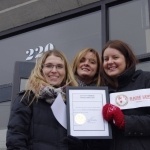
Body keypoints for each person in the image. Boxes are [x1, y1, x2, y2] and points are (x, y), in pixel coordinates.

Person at [6, 49, 81, 150]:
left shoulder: (73, 103)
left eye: (59, 66)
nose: (54, 70)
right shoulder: (27, 99)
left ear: (66, 72)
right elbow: (15, 142)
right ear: (41, 70)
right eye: (49, 66)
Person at [101, 40, 150, 150]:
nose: (110, 62)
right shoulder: (101, 92)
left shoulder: (146, 80)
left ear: (127, 60)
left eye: (115, 57)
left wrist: (125, 121)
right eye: (106, 59)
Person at [72, 48, 110, 150]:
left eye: (92, 62)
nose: (86, 64)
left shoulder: (106, 94)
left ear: (98, 68)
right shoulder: (62, 90)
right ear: (76, 64)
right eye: (82, 60)